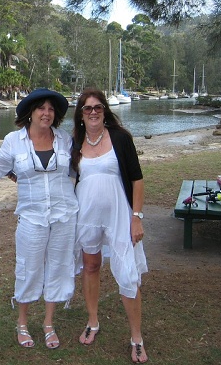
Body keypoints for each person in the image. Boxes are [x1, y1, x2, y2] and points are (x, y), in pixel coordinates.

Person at [0, 89, 78, 350]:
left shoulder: (65, 140)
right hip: (31, 217)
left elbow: (77, 170)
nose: (46, 113)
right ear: (30, 112)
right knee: (29, 267)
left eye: (51, 109)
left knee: (59, 266)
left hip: (64, 215)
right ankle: (23, 323)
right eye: (41, 108)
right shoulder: (14, 141)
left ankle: (49, 323)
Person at [71, 88, 149, 363]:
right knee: (91, 266)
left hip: (119, 215)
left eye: (98, 107)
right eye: (88, 108)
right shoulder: (75, 142)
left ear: (105, 110)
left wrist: (136, 217)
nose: (93, 112)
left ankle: (136, 338)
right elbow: (63, 177)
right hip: (86, 216)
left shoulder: (120, 138)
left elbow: (137, 180)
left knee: (127, 274)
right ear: (80, 115)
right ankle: (93, 321)